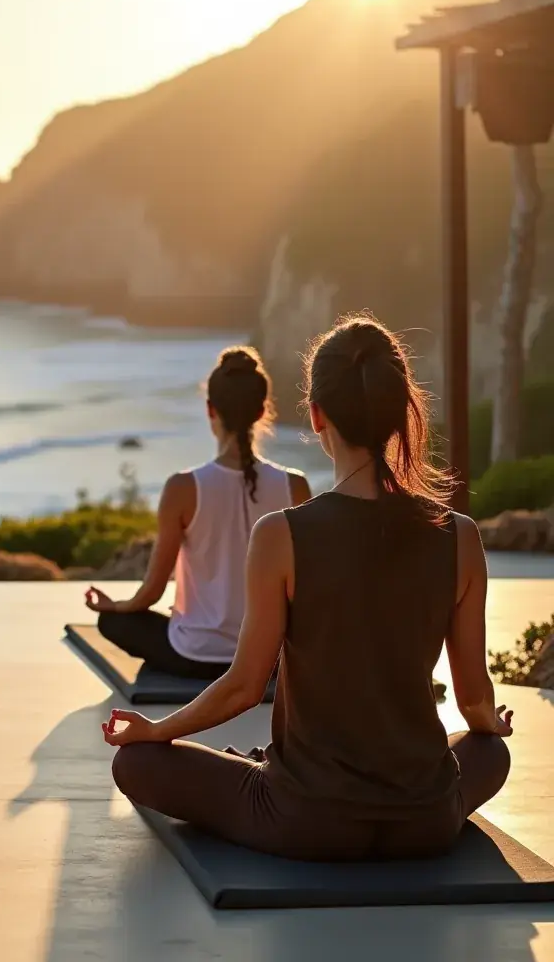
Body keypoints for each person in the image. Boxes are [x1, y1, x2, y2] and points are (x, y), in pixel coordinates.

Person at [102, 315, 512, 862]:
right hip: (425, 819)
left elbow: (244, 687)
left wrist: (157, 731)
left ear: (317, 415)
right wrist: (489, 725)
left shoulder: (281, 534)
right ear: (399, 411)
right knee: (491, 751)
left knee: (135, 763)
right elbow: (474, 699)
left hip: (306, 819)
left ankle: (261, 768)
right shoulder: (459, 535)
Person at [84, 347, 310, 680]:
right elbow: (303, 588)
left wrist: (114, 606)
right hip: (266, 659)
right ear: (262, 411)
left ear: (210, 410)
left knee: (113, 623)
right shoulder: (295, 486)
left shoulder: (183, 487)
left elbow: (151, 592)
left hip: (194, 657)